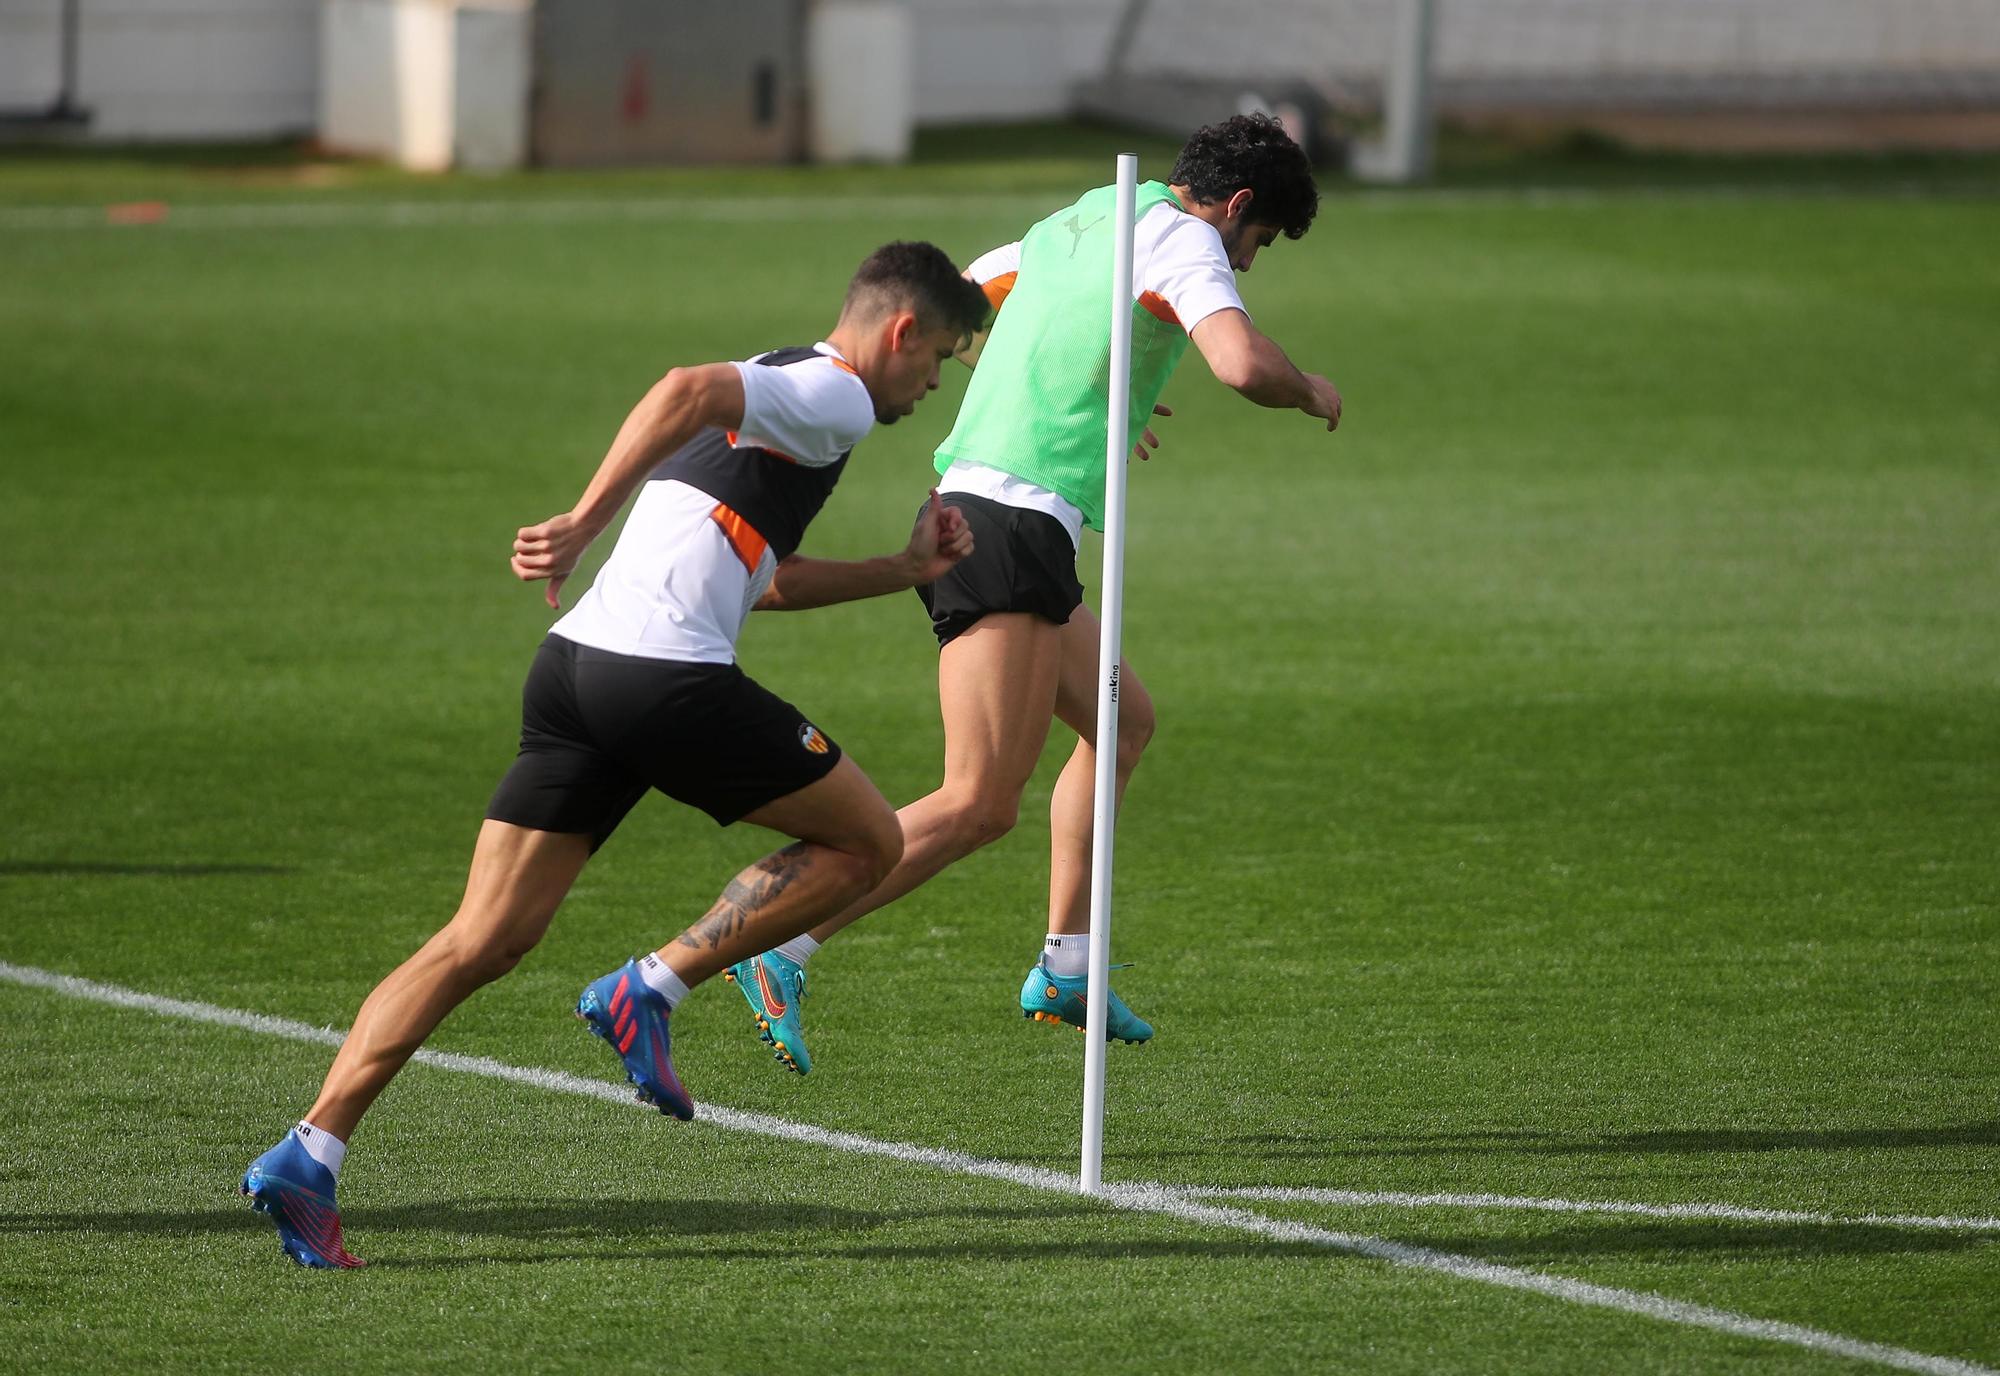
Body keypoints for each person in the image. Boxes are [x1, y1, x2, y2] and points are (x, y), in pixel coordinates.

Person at [239, 241, 991, 1268]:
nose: (934, 381)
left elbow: (764, 580)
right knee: (870, 843)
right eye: (938, 357)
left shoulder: (782, 387)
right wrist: (582, 522)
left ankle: (310, 1150)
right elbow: (682, 387)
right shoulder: (839, 397)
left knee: (483, 938)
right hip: (662, 677)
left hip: (575, 669)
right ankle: (652, 986)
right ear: (900, 332)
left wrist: (901, 568)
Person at [724, 114, 1343, 1072]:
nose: (1248, 263)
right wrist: (1308, 390)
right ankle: (776, 940)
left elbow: (968, 305)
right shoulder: (1185, 240)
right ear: (1237, 204)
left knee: (1122, 722)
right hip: (1005, 527)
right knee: (978, 801)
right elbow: (1241, 363)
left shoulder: (1083, 218)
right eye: (1257, 242)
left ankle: (1067, 964)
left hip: (1008, 520)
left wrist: (1089, 389)